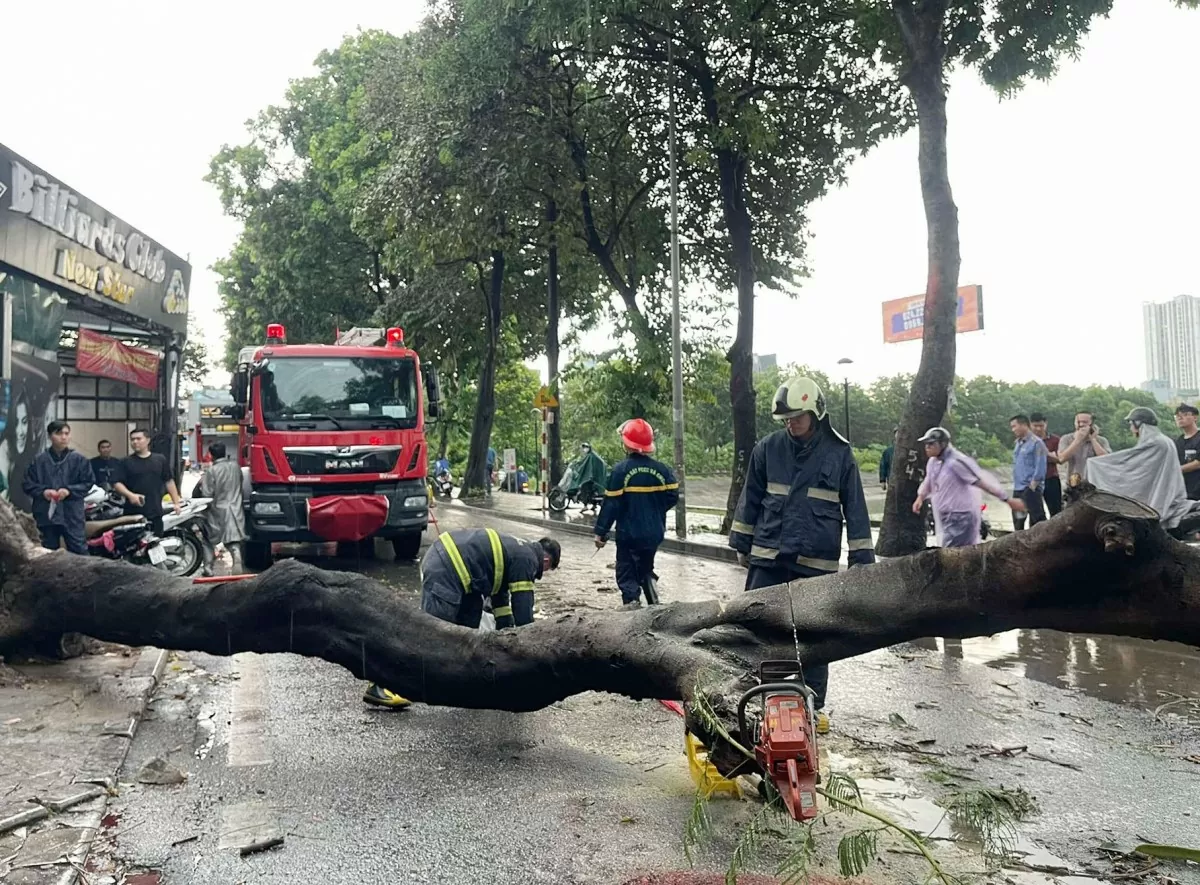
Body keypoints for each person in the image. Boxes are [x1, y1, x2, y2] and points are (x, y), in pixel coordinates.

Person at [728, 375, 874, 734]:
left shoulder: (839, 454)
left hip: (816, 559)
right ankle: (766, 698)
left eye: (797, 417)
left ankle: (811, 703)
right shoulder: (769, 448)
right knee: (762, 629)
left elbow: (855, 508)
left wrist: (861, 561)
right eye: (787, 419)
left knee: (816, 633)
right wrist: (741, 545)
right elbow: (751, 498)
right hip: (769, 554)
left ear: (814, 412)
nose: (791, 424)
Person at [363, 529, 562, 708]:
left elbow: (501, 601)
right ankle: (382, 684)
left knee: (466, 637)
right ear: (546, 562)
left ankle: (458, 684)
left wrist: (506, 633)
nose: (541, 574)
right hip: (448, 570)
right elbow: (523, 610)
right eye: (547, 570)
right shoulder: (528, 559)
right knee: (429, 635)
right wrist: (531, 649)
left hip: (464, 578)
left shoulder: (518, 549)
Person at [593, 419, 680, 610]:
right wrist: (653, 510)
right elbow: (673, 496)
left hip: (629, 535)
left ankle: (632, 613)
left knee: (627, 574)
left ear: (626, 444)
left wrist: (601, 533)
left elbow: (611, 505)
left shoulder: (620, 471)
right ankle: (654, 606)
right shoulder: (663, 470)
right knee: (646, 569)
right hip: (654, 533)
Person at [1087, 407, 1200, 533]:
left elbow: (1129, 463)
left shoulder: (1155, 442)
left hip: (1175, 494)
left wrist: (1096, 464)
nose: (1131, 428)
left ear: (1138, 423)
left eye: (1131, 424)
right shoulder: (1163, 440)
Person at [911, 427, 1025, 547]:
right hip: (944, 514)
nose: (927, 447)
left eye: (931, 444)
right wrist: (920, 498)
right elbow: (929, 481)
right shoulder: (933, 463)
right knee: (952, 551)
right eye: (926, 444)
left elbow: (981, 482)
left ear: (943, 444)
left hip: (961, 515)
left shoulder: (956, 462)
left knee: (954, 551)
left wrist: (1006, 499)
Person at [21, 420, 94, 554]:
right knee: (47, 553)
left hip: (71, 514)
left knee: (79, 551)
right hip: (45, 514)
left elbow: (88, 482)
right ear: (50, 436)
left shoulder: (79, 460)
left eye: (67, 433)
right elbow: (27, 484)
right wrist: (43, 492)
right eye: (59, 433)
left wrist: (69, 490)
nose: (64, 437)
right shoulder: (38, 460)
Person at [112, 428, 181, 535]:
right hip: (132, 514)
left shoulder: (160, 460)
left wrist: (176, 503)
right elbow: (117, 483)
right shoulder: (125, 462)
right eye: (132, 439)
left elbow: (169, 481)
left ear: (148, 440)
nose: (135, 442)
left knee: (156, 543)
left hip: (155, 511)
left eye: (139, 439)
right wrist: (131, 495)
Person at [197, 442, 246, 573]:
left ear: (211, 455)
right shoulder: (236, 467)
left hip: (217, 509)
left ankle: (208, 568)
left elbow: (207, 494)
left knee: (207, 539)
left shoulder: (212, 471)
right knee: (233, 540)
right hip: (235, 508)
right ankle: (237, 557)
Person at [1009, 414, 1048, 530]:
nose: (1013, 430)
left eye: (1014, 426)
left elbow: (1041, 465)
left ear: (1023, 425)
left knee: (1037, 520)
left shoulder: (1037, 443)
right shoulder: (1018, 443)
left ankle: (1042, 546)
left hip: (1031, 488)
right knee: (1018, 520)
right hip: (1018, 488)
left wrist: (1033, 485)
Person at [1057, 412, 1111, 489]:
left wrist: (1093, 439)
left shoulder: (1101, 440)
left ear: (1092, 424)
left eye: (1085, 422)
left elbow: (1106, 460)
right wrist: (1078, 440)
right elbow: (1061, 459)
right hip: (1073, 483)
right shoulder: (1066, 439)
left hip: (1095, 485)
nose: (1081, 424)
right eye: (1078, 422)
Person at [1029, 413, 1062, 517]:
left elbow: (1060, 459)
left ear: (1046, 424)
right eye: (1035, 426)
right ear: (1030, 425)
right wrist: (1048, 455)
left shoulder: (1055, 440)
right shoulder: (1026, 440)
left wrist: (1042, 453)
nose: (1038, 429)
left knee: (1056, 511)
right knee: (1035, 513)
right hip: (1032, 480)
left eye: (1041, 426)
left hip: (1051, 478)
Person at [1174, 403, 1200, 501]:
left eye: (1185, 415)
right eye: (1177, 416)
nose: (1180, 418)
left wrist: (1174, 471)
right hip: (1183, 493)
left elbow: (1198, 464)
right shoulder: (1177, 442)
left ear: (1195, 417)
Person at [879, 427, 897, 491]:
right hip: (892, 481)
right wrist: (882, 480)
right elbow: (883, 466)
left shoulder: (908, 451)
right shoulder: (888, 451)